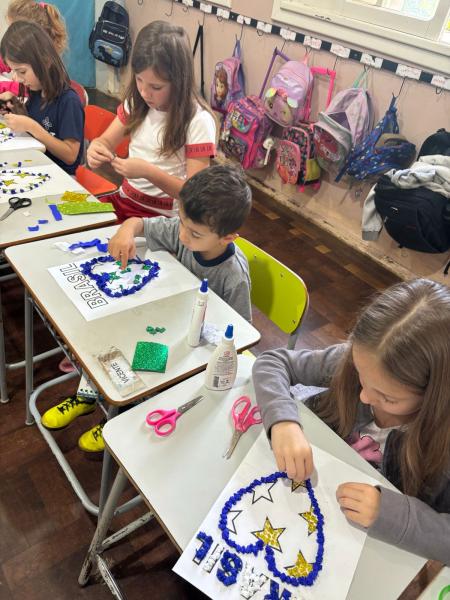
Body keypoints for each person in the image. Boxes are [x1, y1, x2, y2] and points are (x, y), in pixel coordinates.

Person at [41, 164, 253, 451]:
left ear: (228, 238)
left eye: (194, 234)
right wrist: (125, 232)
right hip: (167, 317)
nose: (182, 237)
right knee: (111, 334)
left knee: (147, 355)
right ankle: (87, 396)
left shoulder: (234, 275)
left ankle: (122, 415)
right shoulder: (187, 229)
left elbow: (240, 335)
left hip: (192, 346)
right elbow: (138, 223)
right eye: (181, 223)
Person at [253, 279, 450, 565]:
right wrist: (283, 422)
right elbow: (272, 363)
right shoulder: (361, 358)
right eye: (359, 374)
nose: (364, 396)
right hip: (304, 496)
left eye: (387, 397)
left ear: (435, 395)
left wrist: (394, 514)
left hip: (370, 549)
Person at [86, 20, 216, 223]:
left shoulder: (198, 120)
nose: (145, 92)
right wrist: (96, 148)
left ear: (179, 81)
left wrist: (148, 172)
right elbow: (105, 142)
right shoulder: (136, 102)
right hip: (124, 202)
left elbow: (193, 194)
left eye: (156, 87)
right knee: (74, 225)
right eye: (138, 80)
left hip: (164, 220)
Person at [0, 20, 84, 175]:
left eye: (22, 72)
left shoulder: (68, 101)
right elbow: (36, 122)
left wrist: (31, 126)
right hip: (37, 163)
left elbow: (70, 155)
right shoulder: (36, 91)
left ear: (45, 62)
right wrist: (18, 108)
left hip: (62, 175)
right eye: (13, 71)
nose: (16, 79)